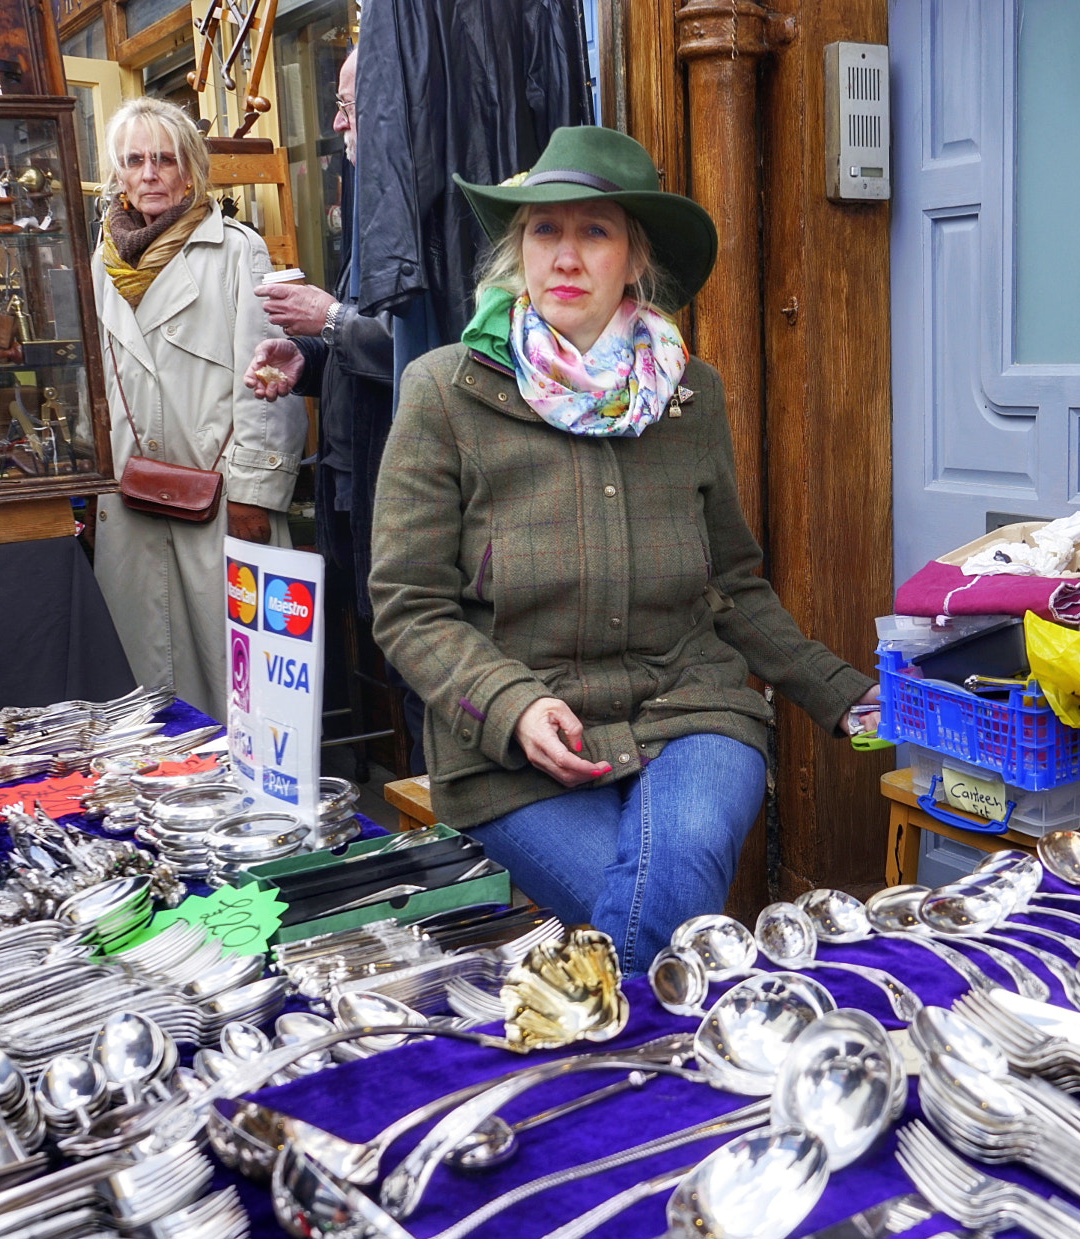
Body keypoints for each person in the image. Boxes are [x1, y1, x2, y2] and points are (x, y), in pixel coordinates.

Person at [369, 126, 880, 972]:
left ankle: (620, 1061)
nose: (566, 256)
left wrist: (847, 695)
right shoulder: (444, 392)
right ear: (520, 251)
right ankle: (663, 1053)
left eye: (594, 232)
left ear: (634, 259)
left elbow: (734, 585)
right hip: (519, 750)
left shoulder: (689, 393)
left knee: (672, 860)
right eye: (545, 231)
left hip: (691, 713)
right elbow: (409, 604)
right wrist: (511, 706)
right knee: (654, 903)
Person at [91, 97, 305, 721]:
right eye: (134, 160)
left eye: (165, 158)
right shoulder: (101, 262)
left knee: (242, 678)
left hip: (222, 505)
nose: (149, 173)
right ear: (119, 175)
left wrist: (256, 496)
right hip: (130, 505)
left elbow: (268, 378)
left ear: (190, 171)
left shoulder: (237, 250)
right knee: (142, 687)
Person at [246, 50, 425, 774]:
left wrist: (328, 318)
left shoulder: (423, 203)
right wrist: (307, 362)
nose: (338, 124)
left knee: (419, 672)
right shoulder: (373, 203)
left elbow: (430, 352)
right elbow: (365, 345)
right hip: (356, 486)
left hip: (403, 486)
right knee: (390, 662)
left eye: (350, 107)